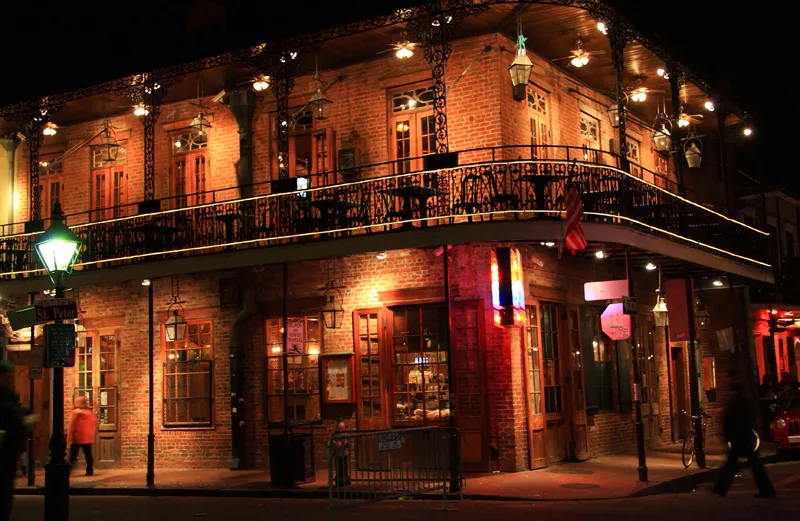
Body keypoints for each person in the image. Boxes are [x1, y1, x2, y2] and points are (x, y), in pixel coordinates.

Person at [714, 381, 776, 498]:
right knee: (738, 463)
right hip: (741, 436)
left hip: (741, 436)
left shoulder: (739, 402)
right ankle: (721, 488)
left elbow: (738, 419)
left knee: (740, 464)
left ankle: (721, 488)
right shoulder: (739, 401)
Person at [1, 361, 26, 521]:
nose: (10, 381)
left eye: (11, 377)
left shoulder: (11, 400)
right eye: (7, 377)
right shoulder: (7, 401)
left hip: (8, 456)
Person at [68, 395, 97, 476]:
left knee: (73, 455)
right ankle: (90, 470)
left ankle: (68, 470)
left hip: (77, 437)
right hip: (87, 438)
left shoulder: (75, 413)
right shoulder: (90, 413)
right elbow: (94, 422)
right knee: (88, 454)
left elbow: (72, 425)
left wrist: (70, 437)